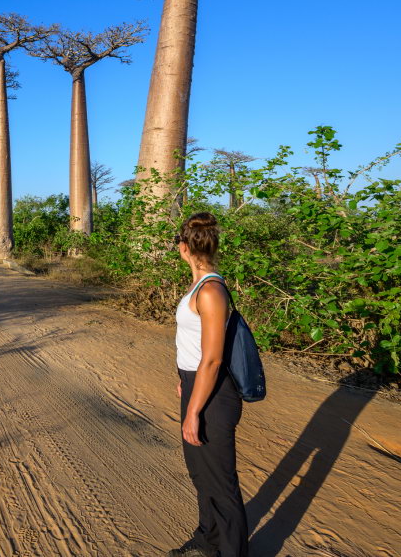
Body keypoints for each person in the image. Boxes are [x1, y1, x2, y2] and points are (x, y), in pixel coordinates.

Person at [167, 212, 249, 557]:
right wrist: (184, 383)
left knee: (221, 481)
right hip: (195, 383)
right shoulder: (197, 286)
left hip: (214, 394)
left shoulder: (212, 291)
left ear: (184, 248)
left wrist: (194, 412)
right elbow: (193, 346)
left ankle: (231, 551)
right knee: (201, 474)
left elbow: (213, 359)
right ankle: (208, 540)